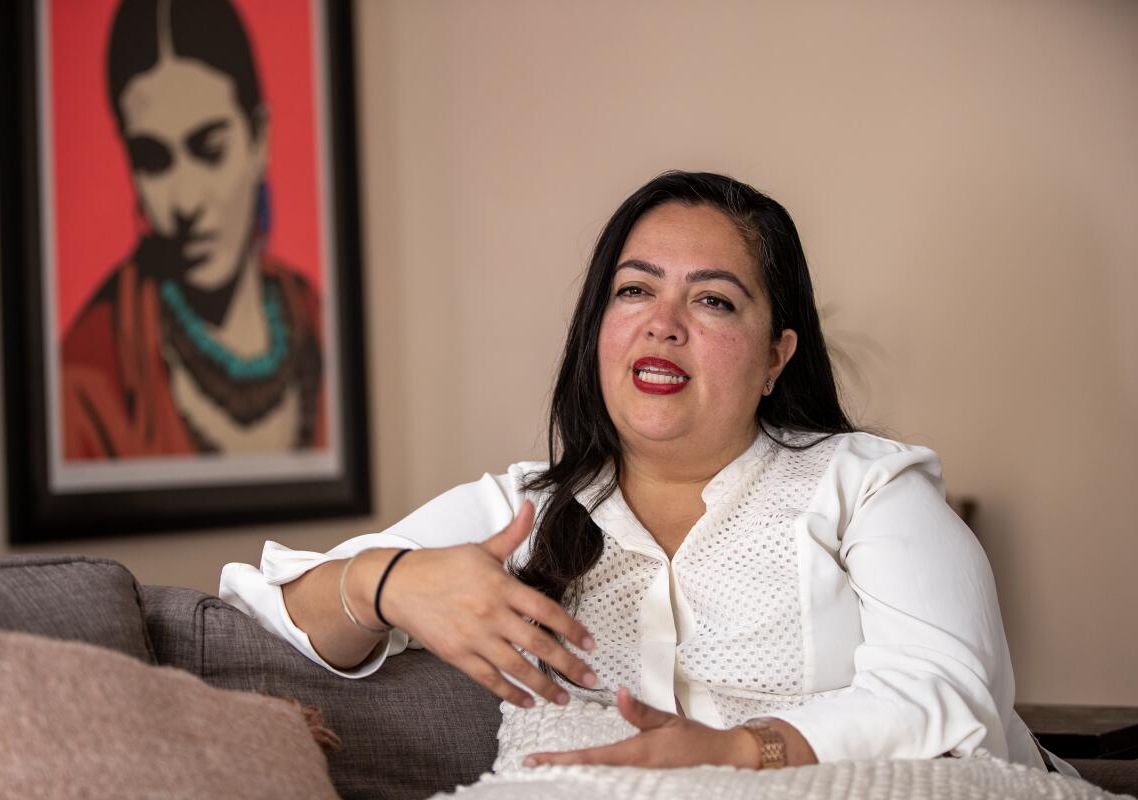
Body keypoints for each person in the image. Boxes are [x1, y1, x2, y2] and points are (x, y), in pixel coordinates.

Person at [221, 171, 1061, 774]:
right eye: (634, 291)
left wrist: (739, 750)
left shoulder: (868, 487)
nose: (663, 324)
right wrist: (386, 582)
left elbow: (952, 694)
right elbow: (262, 614)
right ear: (598, 331)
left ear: (777, 357)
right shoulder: (522, 509)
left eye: (714, 300)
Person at [61, 0, 326, 460]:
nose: (184, 201)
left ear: (258, 138)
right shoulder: (89, 376)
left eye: (209, 150)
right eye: (153, 160)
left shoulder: (316, 319)